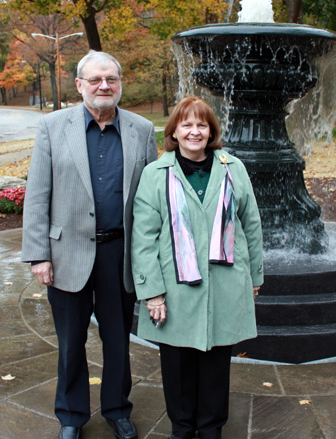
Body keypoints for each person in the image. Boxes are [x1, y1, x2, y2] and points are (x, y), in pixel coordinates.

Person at [21, 50, 158, 439]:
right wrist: (38, 255)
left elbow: (151, 200)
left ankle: (117, 409)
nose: (104, 86)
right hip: (65, 256)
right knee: (70, 342)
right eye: (95, 80)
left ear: (119, 84)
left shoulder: (142, 129)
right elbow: (37, 194)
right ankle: (71, 416)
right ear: (79, 84)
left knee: (118, 340)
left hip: (120, 254)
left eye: (111, 79)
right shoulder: (52, 127)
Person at [131, 96, 263, 439]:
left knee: (217, 364)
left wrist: (255, 277)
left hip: (225, 282)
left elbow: (251, 225)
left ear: (211, 130)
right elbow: (143, 238)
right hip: (174, 288)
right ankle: (182, 427)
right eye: (186, 124)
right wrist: (152, 293)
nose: (194, 131)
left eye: (201, 125)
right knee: (177, 365)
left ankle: (210, 428)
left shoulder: (233, 168)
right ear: (174, 131)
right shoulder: (155, 174)